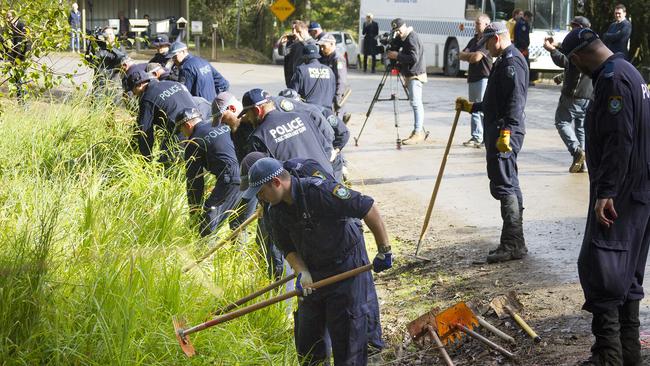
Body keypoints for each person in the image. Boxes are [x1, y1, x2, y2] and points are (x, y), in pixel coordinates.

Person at [558, 27, 650, 366]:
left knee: (601, 266)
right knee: (628, 273)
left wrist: (606, 192)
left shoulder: (611, 80)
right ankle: (629, 355)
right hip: (640, 189)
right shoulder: (629, 71)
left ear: (578, 58)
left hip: (621, 193)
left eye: (574, 64)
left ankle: (609, 355)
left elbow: (618, 139)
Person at [243, 157, 391, 364]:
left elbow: (368, 207)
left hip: (346, 264)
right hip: (314, 270)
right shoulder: (274, 211)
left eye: (261, 192)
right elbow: (287, 247)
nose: (260, 198)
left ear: (276, 182)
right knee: (308, 340)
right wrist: (302, 272)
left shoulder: (319, 192)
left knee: (348, 338)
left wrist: (384, 249)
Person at [455, 22, 529, 263]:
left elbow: (515, 101)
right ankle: (515, 242)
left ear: (496, 38)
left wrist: (506, 131)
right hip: (499, 129)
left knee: (505, 185)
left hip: (504, 133)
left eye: (487, 43)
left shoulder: (511, 62)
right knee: (508, 184)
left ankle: (511, 244)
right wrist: (472, 107)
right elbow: (497, 99)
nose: (486, 48)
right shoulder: (505, 59)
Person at [174, 108, 242, 237]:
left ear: (188, 125)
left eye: (182, 130)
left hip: (231, 178)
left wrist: (195, 213)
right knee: (239, 223)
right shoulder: (220, 125)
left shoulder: (193, 141)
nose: (183, 135)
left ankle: (202, 254)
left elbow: (194, 183)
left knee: (207, 224)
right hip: (249, 172)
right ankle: (240, 254)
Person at [239, 88, 334, 177]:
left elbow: (260, 177)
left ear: (257, 110)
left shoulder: (259, 137)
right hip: (329, 183)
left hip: (303, 189)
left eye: (247, 113)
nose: (248, 118)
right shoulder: (302, 117)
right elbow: (328, 151)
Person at [543, 16, 593, 173]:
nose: (571, 31)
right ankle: (582, 163)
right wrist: (556, 45)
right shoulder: (591, 43)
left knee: (562, 122)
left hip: (574, 94)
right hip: (588, 94)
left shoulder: (578, 44)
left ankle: (577, 150)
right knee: (580, 127)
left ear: (578, 28)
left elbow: (565, 61)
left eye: (573, 28)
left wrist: (551, 50)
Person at [128, 70, 210, 162]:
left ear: (139, 85)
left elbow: (144, 132)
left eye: (133, 90)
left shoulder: (147, 98)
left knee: (166, 164)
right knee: (198, 160)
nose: (134, 94)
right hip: (201, 122)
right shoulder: (173, 83)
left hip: (182, 130)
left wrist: (146, 159)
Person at [387, 18, 428, 145]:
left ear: (404, 26)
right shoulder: (403, 37)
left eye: (398, 30)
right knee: (414, 103)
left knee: (416, 103)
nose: (398, 33)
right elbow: (396, 45)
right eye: (395, 31)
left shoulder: (411, 37)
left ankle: (418, 132)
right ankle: (418, 130)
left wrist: (396, 56)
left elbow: (413, 58)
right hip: (410, 74)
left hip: (416, 74)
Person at [459, 14, 492, 148]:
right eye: (476, 23)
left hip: (483, 76)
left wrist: (469, 55)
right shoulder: (474, 40)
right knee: (473, 108)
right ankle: (477, 136)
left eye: (479, 23)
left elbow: (476, 58)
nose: (476, 25)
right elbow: (461, 54)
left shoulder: (486, 40)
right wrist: (469, 55)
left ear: (486, 25)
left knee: (481, 108)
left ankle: (481, 137)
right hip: (473, 76)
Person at [289, 44, 336, 110]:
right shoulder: (329, 70)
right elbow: (333, 92)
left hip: (309, 112)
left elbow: (292, 94)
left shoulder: (301, 70)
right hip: (327, 113)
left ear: (305, 57)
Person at [318, 32, 351, 123]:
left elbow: (341, 81)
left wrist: (337, 99)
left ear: (332, 44)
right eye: (320, 46)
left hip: (335, 97)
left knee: (335, 124)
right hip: (326, 96)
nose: (321, 48)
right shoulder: (322, 57)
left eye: (324, 46)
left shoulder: (338, 59)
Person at [279, 20, 312, 87]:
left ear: (306, 30)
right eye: (293, 31)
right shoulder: (295, 43)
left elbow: (310, 53)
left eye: (298, 32)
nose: (295, 34)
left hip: (305, 78)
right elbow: (283, 53)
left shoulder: (312, 43)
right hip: (292, 77)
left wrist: (301, 40)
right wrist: (282, 44)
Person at [514, 10, 533, 84]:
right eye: (530, 18)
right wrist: (524, 47)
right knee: (525, 64)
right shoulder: (522, 24)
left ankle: (524, 80)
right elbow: (520, 37)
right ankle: (524, 80)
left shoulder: (521, 23)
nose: (530, 20)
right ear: (526, 17)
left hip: (522, 47)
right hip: (521, 48)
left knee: (524, 63)